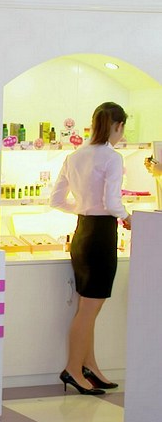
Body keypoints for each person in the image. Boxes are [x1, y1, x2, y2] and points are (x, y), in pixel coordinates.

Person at [50, 101, 131, 395]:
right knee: (89, 310)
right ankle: (73, 369)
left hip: (82, 233)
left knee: (87, 308)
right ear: (118, 125)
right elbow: (112, 202)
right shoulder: (112, 158)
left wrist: (84, 207)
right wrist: (127, 217)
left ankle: (89, 366)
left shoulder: (74, 156)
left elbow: (56, 200)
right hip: (101, 236)